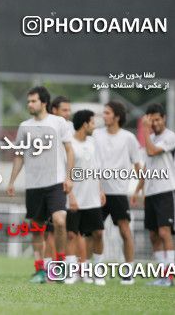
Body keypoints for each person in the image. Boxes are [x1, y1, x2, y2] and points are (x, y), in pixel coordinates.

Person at [7, 86, 74, 283]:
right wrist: (12, 181)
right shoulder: (24, 126)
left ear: (44, 103)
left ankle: (60, 265)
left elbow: (70, 151)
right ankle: (40, 270)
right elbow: (19, 156)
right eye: (28, 101)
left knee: (60, 221)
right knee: (37, 228)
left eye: (33, 101)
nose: (30, 104)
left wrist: (69, 177)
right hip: (33, 185)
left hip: (55, 182)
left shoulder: (58, 122)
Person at [93, 101, 141, 285]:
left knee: (125, 231)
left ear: (117, 117)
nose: (103, 116)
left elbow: (138, 166)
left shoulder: (128, 138)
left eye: (107, 113)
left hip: (119, 193)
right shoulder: (96, 135)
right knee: (95, 232)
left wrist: (140, 190)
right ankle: (96, 272)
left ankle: (128, 272)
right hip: (98, 192)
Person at [132, 103, 175, 287]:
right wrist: (137, 189)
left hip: (166, 190)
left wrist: (146, 130)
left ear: (164, 118)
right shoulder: (150, 138)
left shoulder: (170, 137)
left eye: (157, 119)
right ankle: (162, 275)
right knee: (153, 235)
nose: (155, 123)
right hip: (150, 193)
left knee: (165, 232)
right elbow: (147, 168)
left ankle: (171, 276)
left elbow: (151, 151)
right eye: (151, 120)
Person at [64, 110, 106, 285]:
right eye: (93, 123)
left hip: (93, 199)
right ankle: (72, 273)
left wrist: (100, 190)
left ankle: (97, 272)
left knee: (97, 233)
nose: (94, 126)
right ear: (85, 124)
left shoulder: (94, 143)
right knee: (72, 235)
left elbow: (96, 170)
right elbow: (67, 174)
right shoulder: (69, 144)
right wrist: (71, 195)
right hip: (74, 199)